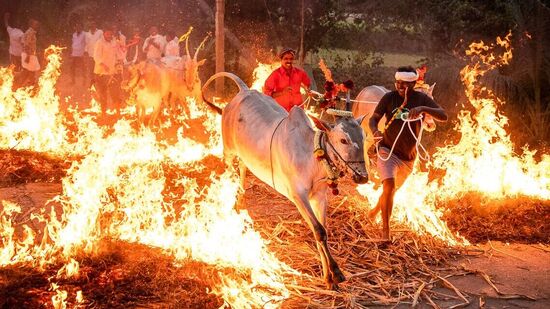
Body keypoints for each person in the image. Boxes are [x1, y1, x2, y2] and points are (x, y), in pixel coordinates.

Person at [368, 66, 448, 241]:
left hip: (408, 158)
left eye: (404, 84)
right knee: (388, 186)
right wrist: (375, 131)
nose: (399, 87)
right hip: (387, 150)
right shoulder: (389, 97)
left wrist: (422, 109)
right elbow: (373, 118)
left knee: (392, 190)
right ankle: (385, 231)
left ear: (412, 84)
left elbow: (443, 116)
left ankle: (374, 211)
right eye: (397, 83)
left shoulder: (422, 99)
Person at [263, 48, 311, 112]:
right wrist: (282, 93)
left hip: (298, 110)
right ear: (281, 60)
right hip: (281, 111)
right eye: (286, 59)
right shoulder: (275, 74)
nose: (289, 61)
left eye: (291, 59)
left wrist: (308, 89)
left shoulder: (300, 73)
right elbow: (266, 92)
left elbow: (308, 84)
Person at [93, 26, 117, 117]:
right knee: (103, 93)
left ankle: (116, 110)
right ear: (104, 34)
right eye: (107, 34)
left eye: (110, 34)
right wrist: (104, 65)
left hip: (111, 72)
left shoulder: (113, 42)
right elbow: (96, 57)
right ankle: (103, 112)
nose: (109, 35)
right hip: (100, 73)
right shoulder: (99, 43)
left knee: (113, 91)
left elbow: (115, 55)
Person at [20, 18, 40, 87]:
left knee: (30, 71)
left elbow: (22, 42)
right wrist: (28, 56)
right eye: (36, 24)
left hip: (28, 54)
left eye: (38, 24)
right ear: (31, 25)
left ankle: (30, 84)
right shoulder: (30, 32)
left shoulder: (28, 32)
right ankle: (30, 85)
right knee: (31, 71)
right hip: (29, 54)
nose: (37, 25)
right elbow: (26, 44)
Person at [85, 21, 103, 86]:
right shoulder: (87, 34)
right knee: (91, 70)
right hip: (90, 55)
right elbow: (86, 44)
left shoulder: (100, 32)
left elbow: (102, 41)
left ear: (96, 24)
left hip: (98, 55)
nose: (92, 25)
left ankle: (99, 82)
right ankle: (92, 83)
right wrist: (86, 51)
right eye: (91, 24)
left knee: (99, 69)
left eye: (94, 24)